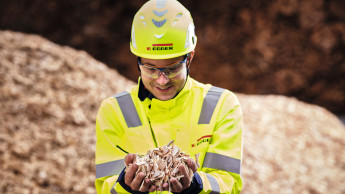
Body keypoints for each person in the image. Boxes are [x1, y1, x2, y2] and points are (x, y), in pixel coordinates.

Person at [95, 0, 243, 193]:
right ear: (138, 61)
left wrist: (196, 184)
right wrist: (125, 185)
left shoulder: (222, 105)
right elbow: (106, 187)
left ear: (189, 57)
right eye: (150, 68)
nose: (162, 80)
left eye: (172, 68)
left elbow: (229, 183)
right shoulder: (113, 111)